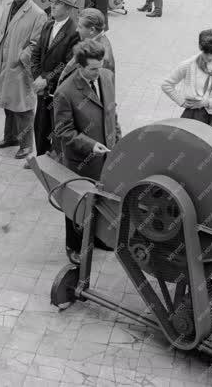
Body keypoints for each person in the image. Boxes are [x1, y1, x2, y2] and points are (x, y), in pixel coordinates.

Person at [54, 39, 121, 264]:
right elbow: (64, 131)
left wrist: (118, 140)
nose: (97, 72)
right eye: (92, 69)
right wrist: (91, 145)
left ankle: (100, 237)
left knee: (102, 200)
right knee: (78, 203)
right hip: (82, 161)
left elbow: (112, 112)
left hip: (107, 156)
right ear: (80, 66)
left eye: (100, 66)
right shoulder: (65, 92)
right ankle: (73, 245)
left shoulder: (107, 77)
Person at [0, 0, 47, 159]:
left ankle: (26, 145)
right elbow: (0, 30)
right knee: (8, 103)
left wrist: (22, 57)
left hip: (21, 67)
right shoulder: (8, 7)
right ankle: (10, 137)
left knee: (23, 107)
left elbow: (37, 44)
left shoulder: (38, 14)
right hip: (4, 63)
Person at [31, 0, 81, 156]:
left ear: (68, 8)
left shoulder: (74, 32)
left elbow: (67, 64)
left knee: (57, 127)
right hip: (42, 88)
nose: (53, 6)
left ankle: (57, 160)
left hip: (59, 90)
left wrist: (46, 80)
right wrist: (37, 77)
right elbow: (36, 53)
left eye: (58, 4)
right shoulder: (48, 25)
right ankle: (40, 158)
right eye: (53, 2)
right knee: (40, 125)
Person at [161, 29, 212, 135]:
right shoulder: (189, 64)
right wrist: (181, 101)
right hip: (193, 115)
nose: (209, 57)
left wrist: (205, 103)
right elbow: (166, 84)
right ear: (200, 48)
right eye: (206, 52)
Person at [58, 8, 115, 86]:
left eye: (80, 27)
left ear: (92, 30)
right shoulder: (92, 41)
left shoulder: (102, 57)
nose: (77, 30)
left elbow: (100, 91)